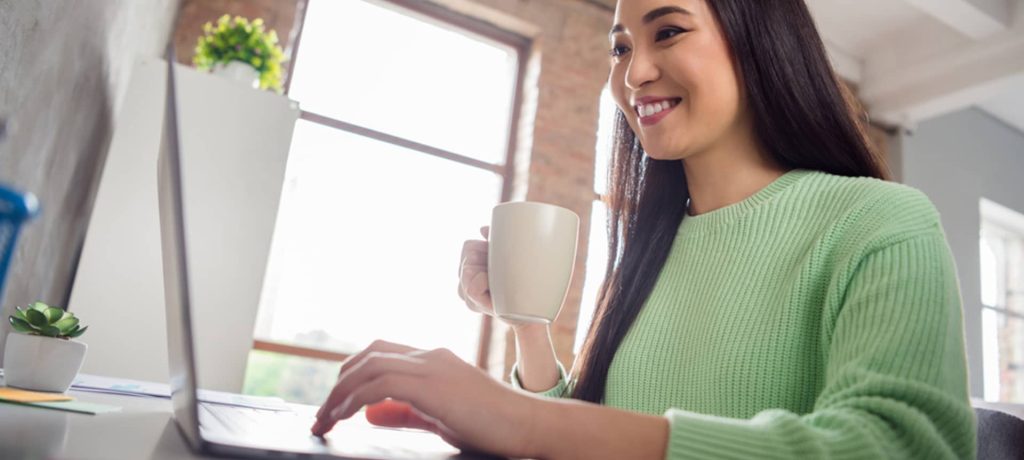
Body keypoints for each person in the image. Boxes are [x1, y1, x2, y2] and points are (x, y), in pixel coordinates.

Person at [310, 0, 976, 458]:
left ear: (759, 42)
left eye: (669, 31)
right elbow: (597, 429)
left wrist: (520, 419)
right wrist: (525, 325)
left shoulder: (880, 221)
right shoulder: (651, 247)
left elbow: (897, 446)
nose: (634, 74)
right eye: (620, 47)